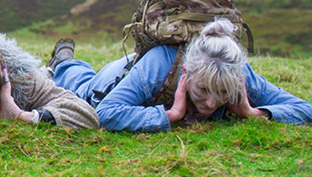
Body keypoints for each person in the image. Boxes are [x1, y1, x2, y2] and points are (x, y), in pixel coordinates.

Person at [49, 19, 312, 132]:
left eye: (223, 93)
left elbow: (304, 109)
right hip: (113, 79)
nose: (211, 103)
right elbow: (106, 112)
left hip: (135, 76)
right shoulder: (158, 67)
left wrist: (255, 113)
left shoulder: (237, 74)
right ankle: (62, 61)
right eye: (203, 90)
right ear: (187, 72)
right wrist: (169, 115)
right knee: (79, 82)